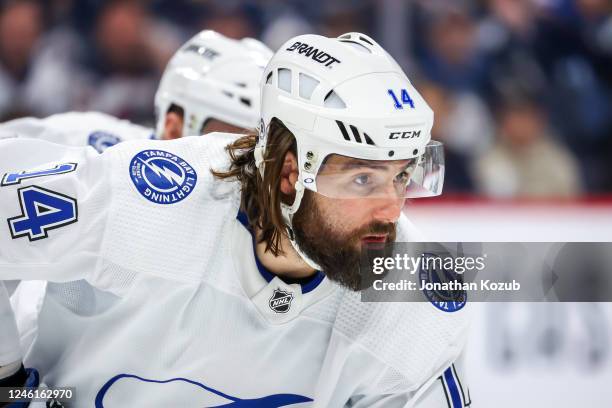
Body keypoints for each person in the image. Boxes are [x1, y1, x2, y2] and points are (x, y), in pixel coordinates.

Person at [0, 33, 470, 407]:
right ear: (290, 173)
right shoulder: (150, 202)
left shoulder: (413, 304)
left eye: (403, 176)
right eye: (363, 180)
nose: (392, 210)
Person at [0, 30, 272, 152]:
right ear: (174, 127)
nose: (253, 157)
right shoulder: (87, 142)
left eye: (262, 143)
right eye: (239, 141)